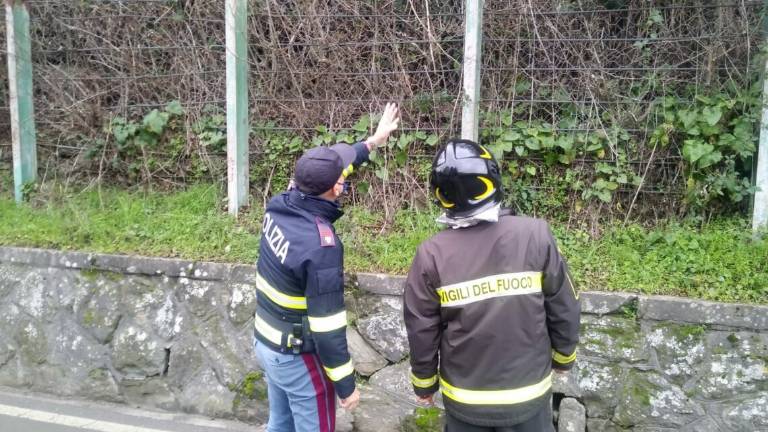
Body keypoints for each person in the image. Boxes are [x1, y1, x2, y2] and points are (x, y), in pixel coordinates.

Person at [403, 138, 580, 432]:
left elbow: (421, 327)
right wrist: (564, 357)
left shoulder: (431, 254)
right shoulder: (535, 235)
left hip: (465, 401)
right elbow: (564, 304)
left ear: (441, 195)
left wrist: (424, 384)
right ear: (491, 179)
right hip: (529, 396)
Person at [253, 103, 400, 432]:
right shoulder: (320, 247)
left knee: (280, 425)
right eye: (341, 179)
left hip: (266, 342)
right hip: (296, 358)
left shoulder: (281, 203)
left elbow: (337, 164)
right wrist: (346, 385)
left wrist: (373, 141)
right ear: (337, 188)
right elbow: (327, 326)